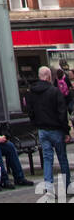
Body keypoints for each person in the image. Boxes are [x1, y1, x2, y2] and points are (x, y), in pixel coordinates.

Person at [27, 66, 73, 195]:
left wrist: (36, 123)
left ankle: (49, 188)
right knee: (62, 158)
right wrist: (66, 131)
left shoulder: (32, 92)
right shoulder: (54, 91)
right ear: (48, 76)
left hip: (42, 129)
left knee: (47, 159)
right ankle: (67, 186)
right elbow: (62, 112)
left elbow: (30, 111)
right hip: (56, 129)